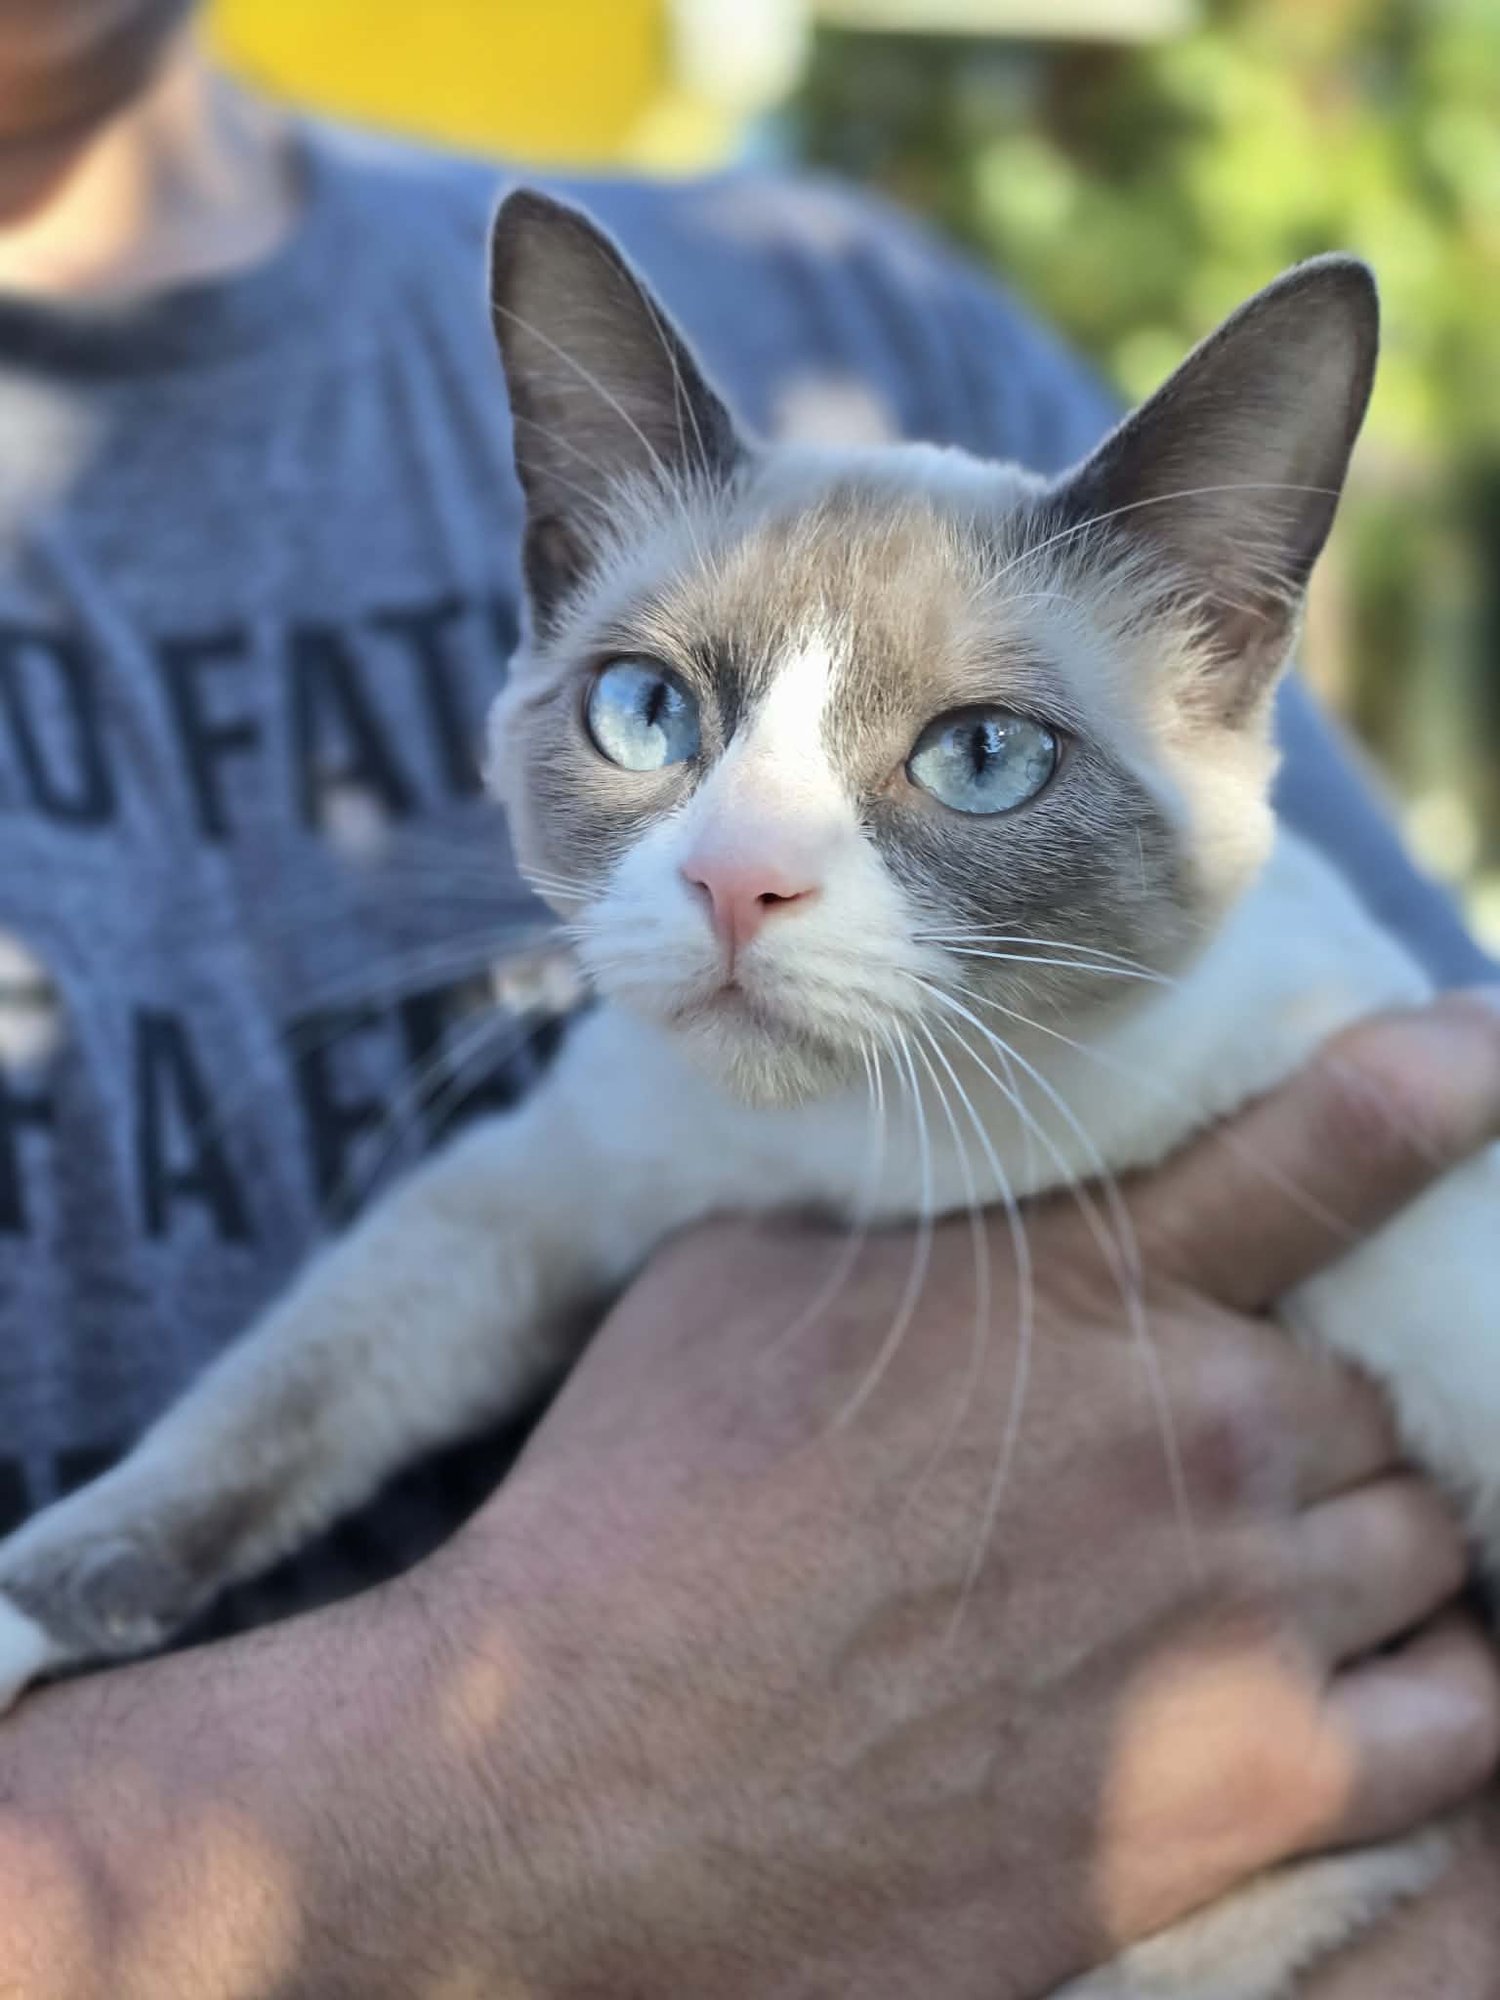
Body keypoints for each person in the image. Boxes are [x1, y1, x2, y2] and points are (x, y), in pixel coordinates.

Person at [0, 3, 1495, 1991]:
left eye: (977, 753)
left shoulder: (879, 305)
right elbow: (494, 1228)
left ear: (1221, 666)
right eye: (649, 710)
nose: (736, 870)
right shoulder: (673, 1056)